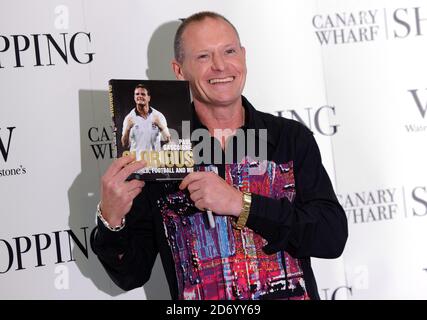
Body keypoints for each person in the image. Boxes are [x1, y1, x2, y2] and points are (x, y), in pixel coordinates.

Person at [92, 11, 348, 300]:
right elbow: (130, 274)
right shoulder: (158, 152)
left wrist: (241, 204)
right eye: (203, 57)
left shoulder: (289, 138)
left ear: (243, 56)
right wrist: (111, 219)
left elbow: (331, 237)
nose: (220, 66)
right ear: (179, 71)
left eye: (229, 51)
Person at [121, 84, 170, 153]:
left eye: (143, 94)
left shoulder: (158, 116)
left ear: (149, 98)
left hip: (155, 161)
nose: (140, 96)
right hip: (137, 162)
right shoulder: (129, 118)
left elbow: (167, 140)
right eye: (137, 94)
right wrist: (127, 129)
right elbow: (125, 145)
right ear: (134, 97)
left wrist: (160, 126)